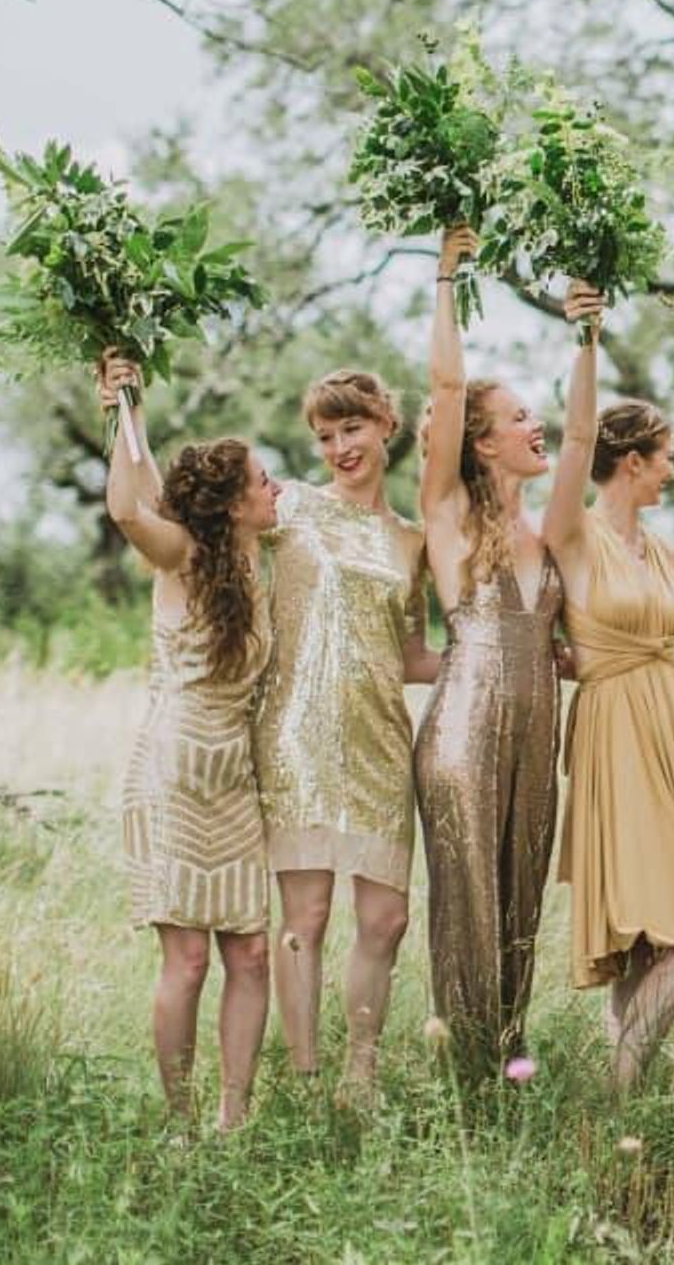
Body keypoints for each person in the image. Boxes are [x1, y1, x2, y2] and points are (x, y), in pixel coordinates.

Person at [544, 280, 674, 1089]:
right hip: (614, 735)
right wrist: (587, 337)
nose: (670, 476)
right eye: (666, 461)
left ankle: (630, 1108)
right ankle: (621, 1081)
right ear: (630, 461)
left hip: (671, 729)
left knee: (658, 940)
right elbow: (576, 434)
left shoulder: (667, 553)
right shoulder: (574, 534)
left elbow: (666, 660)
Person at [99, 351, 279, 1131]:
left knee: (250, 954)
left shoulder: (256, 554)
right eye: (263, 482)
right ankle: (179, 1119)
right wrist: (122, 406)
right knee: (191, 959)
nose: (275, 490)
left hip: (234, 781)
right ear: (234, 505)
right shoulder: (185, 555)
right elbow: (129, 506)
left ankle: (233, 1116)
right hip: (175, 770)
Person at [253, 366, 435, 1105]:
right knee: (307, 916)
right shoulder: (289, 508)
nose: (339, 447)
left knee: (386, 918)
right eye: (325, 436)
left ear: (387, 424)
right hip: (295, 736)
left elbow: (416, 654)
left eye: (351, 428)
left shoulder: (415, 541)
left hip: (380, 738)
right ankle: (303, 1075)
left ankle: (361, 1072)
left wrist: (504, 656)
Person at [413, 223, 565, 1072]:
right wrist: (448, 276)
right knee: (468, 902)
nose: (533, 424)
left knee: (520, 900)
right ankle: (459, 1073)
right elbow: (446, 379)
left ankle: (506, 1062)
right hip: (464, 733)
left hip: (538, 737)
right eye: (517, 417)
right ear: (481, 442)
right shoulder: (450, 514)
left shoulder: (548, 534)